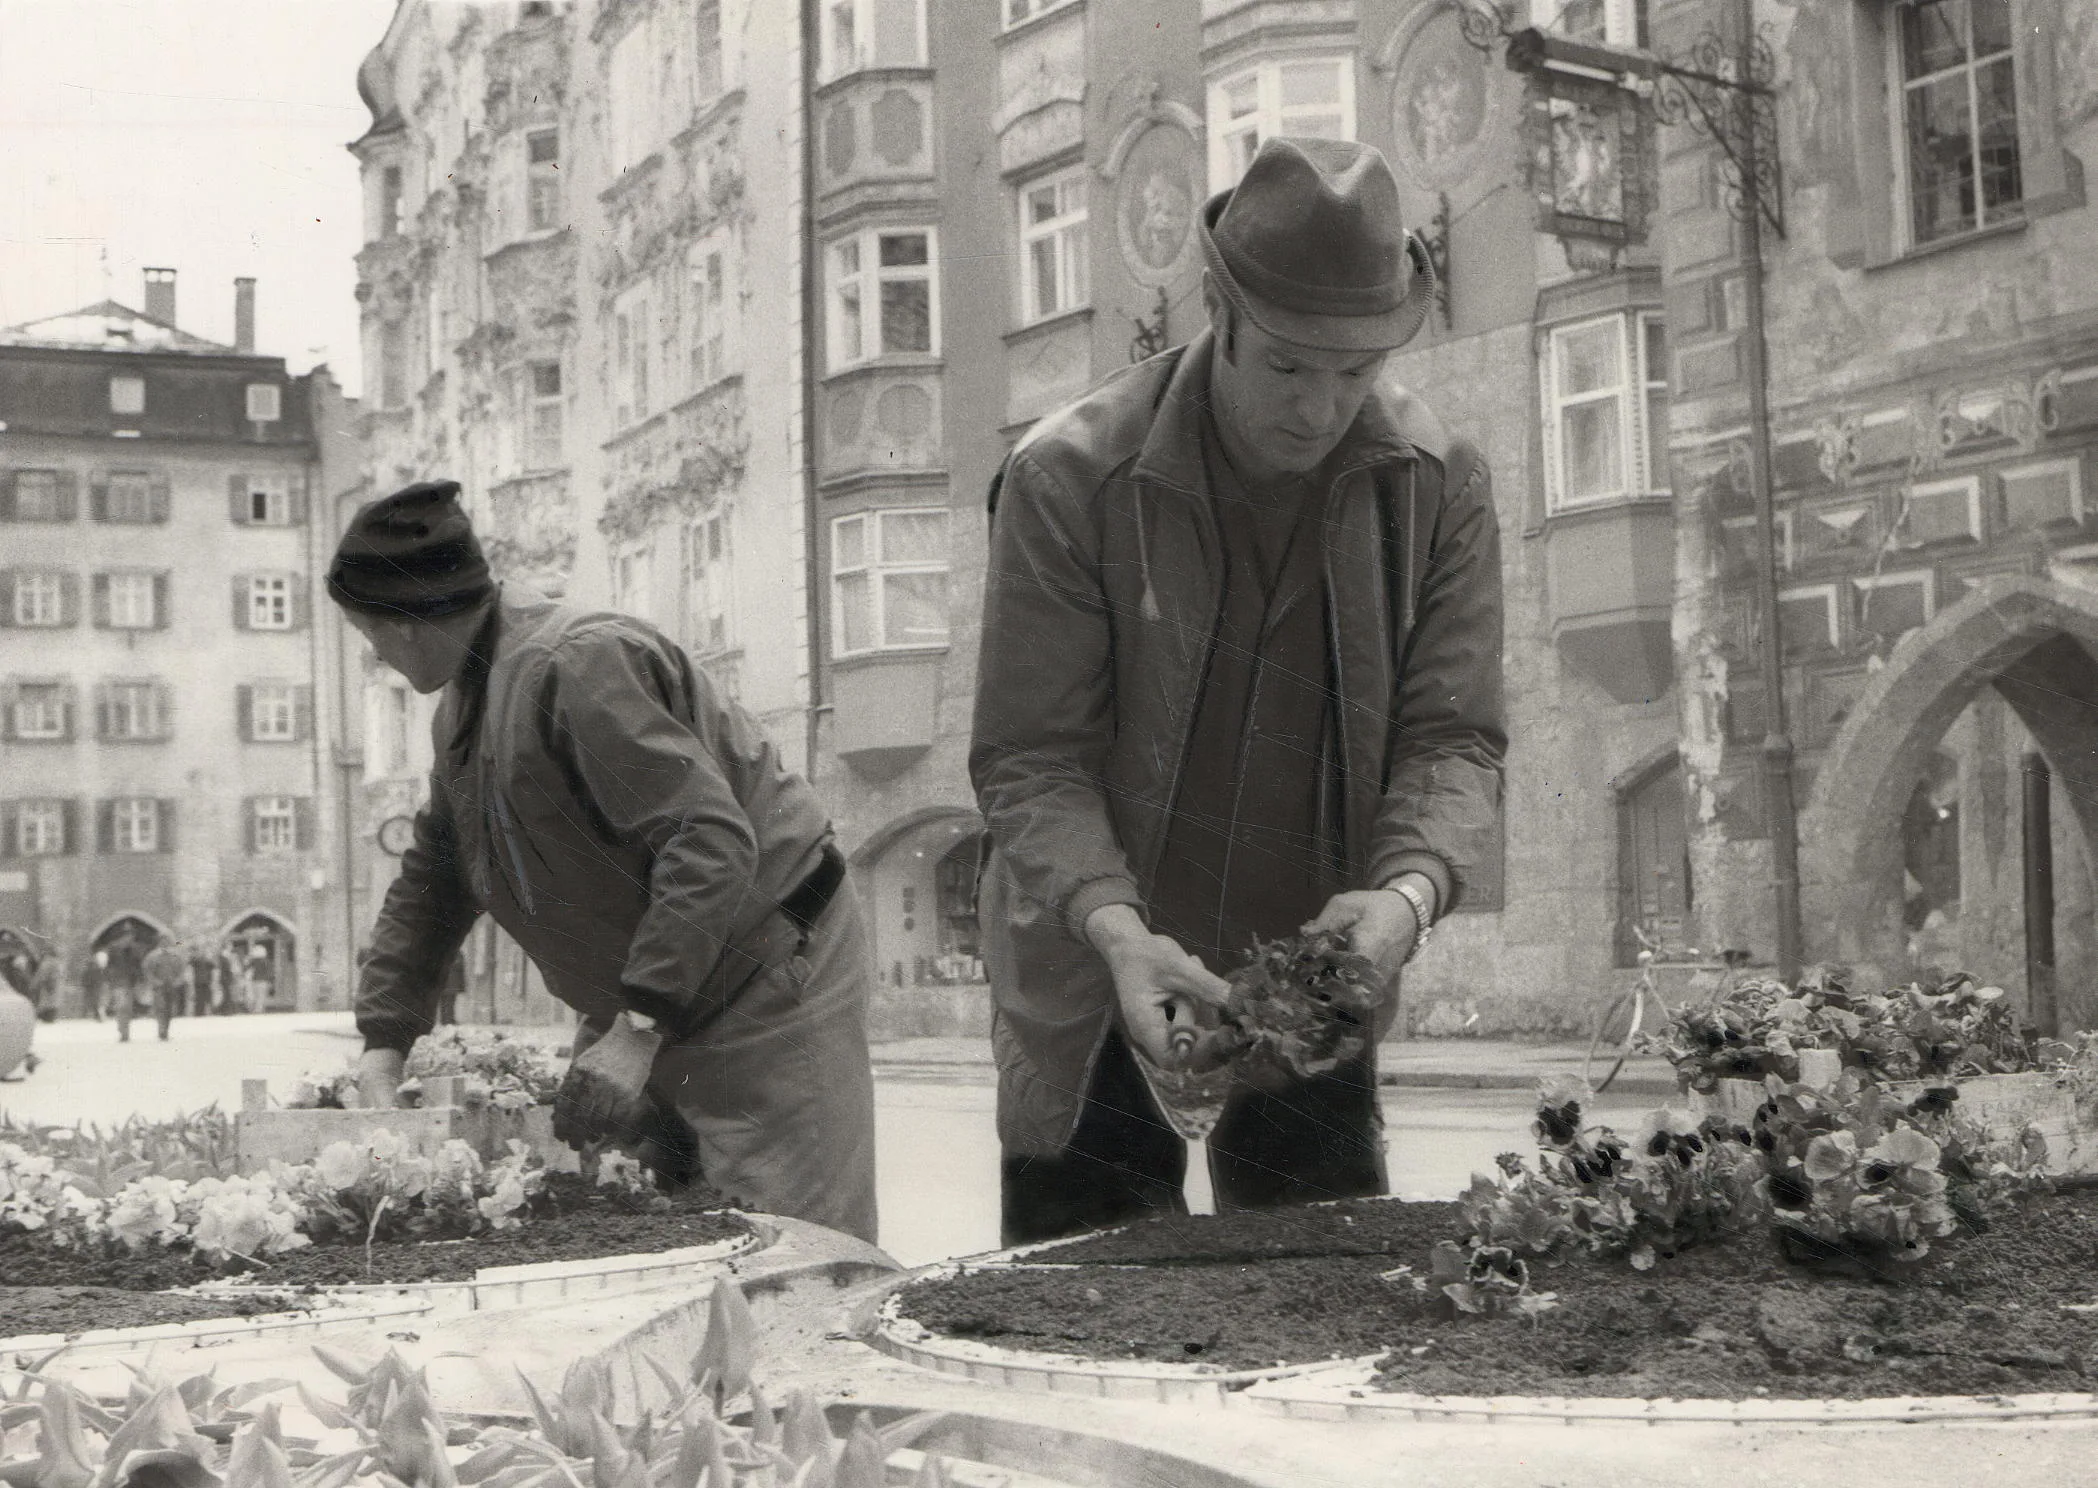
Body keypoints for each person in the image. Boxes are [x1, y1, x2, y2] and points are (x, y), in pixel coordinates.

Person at [971, 137, 1506, 1245]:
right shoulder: (1066, 478)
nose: (1319, 409)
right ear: (1221, 315)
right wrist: (1117, 934)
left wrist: (1403, 902)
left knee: (1324, 1305)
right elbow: (1033, 757)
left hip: (1313, 974)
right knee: (1083, 1309)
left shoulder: (1439, 483)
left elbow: (1452, 739)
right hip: (1094, 964)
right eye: (1286, 368)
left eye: (1354, 372)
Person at [332, 481, 879, 1244]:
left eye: (370, 634)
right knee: (625, 1219)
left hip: (763, 973)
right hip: (665, 982)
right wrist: (384, 1039)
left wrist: (641, 1026)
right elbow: (436, 878)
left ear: (409, 626)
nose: (375, 655)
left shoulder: (579, 665)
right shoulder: (463, 704)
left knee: (785, 1248)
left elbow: (708, 839)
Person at [141, 936, 189, 1042]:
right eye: (163, 942)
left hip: (172, 986)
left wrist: (178, 981)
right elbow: (146, 970)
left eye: (167, 942)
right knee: (160, 1007)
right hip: (158, 986)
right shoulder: (152, 956)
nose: (165, 944)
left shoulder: (176, 956)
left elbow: (182, 969)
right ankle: (161, 1030)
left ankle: (166, 1030)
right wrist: (154, 981)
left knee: (169, 1009)